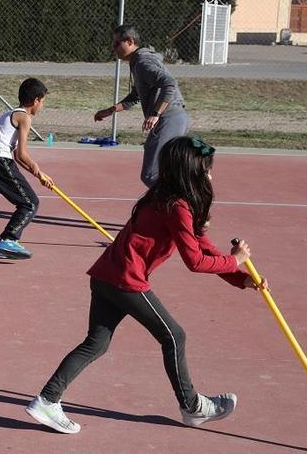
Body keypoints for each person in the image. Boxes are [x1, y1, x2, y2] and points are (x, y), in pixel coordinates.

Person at [25, 136, 266, 434]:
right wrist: (234, 261)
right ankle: (192, 407)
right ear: (189, 172)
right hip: (125, 279)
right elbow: (195, 261)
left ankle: (47, 400)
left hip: (106, 275)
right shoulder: (176, 206)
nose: (210, 176)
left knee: (96, 343)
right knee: (174, 336)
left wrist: (240, 278)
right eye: (206, 170)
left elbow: (204, 247)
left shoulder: (165, 197)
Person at [94, 25, 190, 188]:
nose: (113, 47)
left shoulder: (143, 62)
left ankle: (178, 207)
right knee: (165, 172)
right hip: (172, 117)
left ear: (130, 41)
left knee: (151, 174)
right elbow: (135, 96)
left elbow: (169, 83)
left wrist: (155, 114)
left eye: (117, 43)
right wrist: (110, 111)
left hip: (169, 118)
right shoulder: (137, 62)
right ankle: (177, 206)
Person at [0, 78, 54, 260]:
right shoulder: (24, 117)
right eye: (42, 101)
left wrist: (37, 174)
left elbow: (18, 157)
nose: (42, 106)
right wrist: (39, 172)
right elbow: (21, 154)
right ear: (36, 100)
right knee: (29, 203)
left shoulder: (14, 113)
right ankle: (7, 240)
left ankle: (8, 241)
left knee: (26, 201)